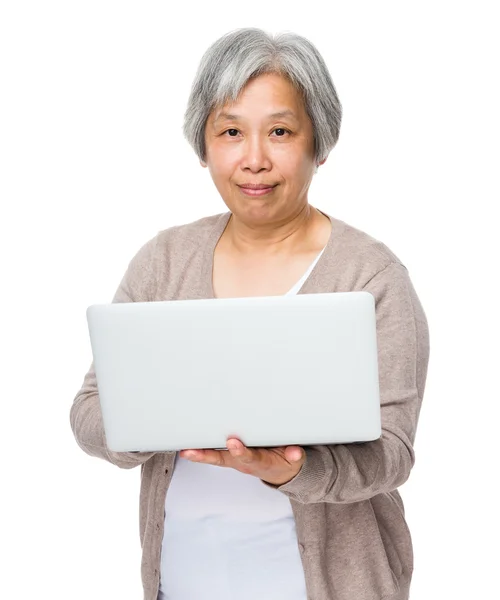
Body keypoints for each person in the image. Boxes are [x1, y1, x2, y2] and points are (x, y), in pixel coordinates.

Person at [70, 27, 430, 600]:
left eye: (281, 132)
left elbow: (392, 452)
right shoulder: (163, 262)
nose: (254, 159)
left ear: (320, 142)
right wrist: (154, 418)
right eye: (231, 131)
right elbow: (89, 412)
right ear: (204, 142)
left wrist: (288, 468)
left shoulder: (372, 277)